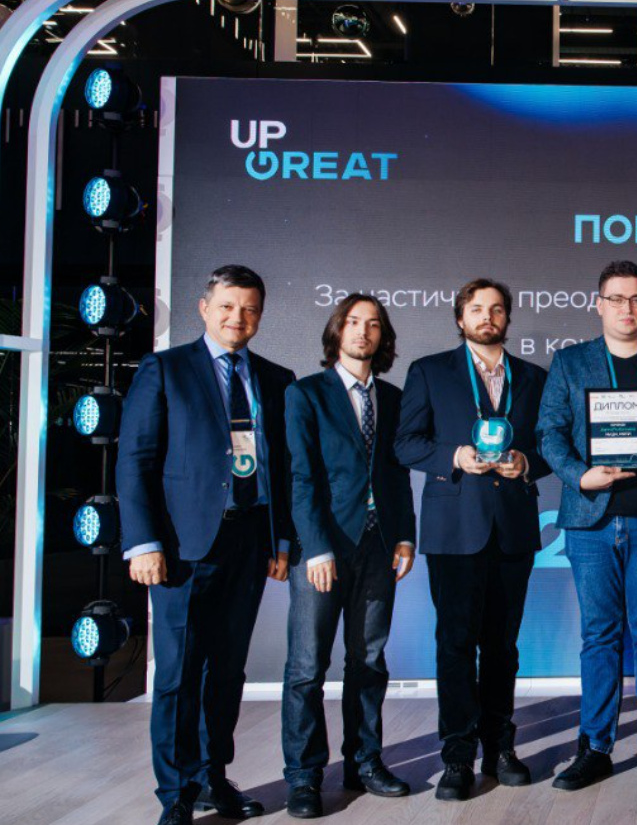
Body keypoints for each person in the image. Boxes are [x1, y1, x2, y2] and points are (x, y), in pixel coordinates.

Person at [117, 264, 295, 825]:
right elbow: (135, 460)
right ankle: (175, 794)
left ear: (260, 315)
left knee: (226, 671)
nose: (237, 318)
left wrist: (281, 539)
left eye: (249, 309)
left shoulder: (276, 378)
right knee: (177, 675)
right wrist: (143, 542)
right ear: (204, 308)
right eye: (227, 306)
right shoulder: (165, 369)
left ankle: (213, 778)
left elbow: (284, 468)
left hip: (250, 541)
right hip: (182, 547)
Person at [536, 260, 637, 790]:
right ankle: (595, 748)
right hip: (590, 521)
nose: (627, 308)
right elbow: (549, 432)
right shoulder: (570, 362)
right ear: (598, 304)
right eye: (617, 298)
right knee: (599, 636)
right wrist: (579, 475)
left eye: (636, 298)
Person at [394, 278, 551, 801]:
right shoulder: (430, 371)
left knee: (503, 647)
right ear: (460, 317)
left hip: (512, 528)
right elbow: (405, 443)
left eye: (497, 309)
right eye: (477, 308)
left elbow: (552, 444)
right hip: (454, 529)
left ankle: (500, 747)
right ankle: (457, 756)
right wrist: (454, 457)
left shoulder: (534, 377)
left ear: (508, 318)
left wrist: (526, 462)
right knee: (455, 645)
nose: (488, 316)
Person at [280, 295, 417, 818]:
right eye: (354, 322)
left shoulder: (394, 398)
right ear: (337, 330)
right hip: (323, 550)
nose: (363, 331)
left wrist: (405, 536)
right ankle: (303, 777)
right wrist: (314, 547)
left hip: (379, 548)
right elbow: (301, 477)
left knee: (369, 661)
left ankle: (364, 762)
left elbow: (399, 475)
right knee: (306, 668)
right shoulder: (305, 394)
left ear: (383, 337)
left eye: (373, 324)